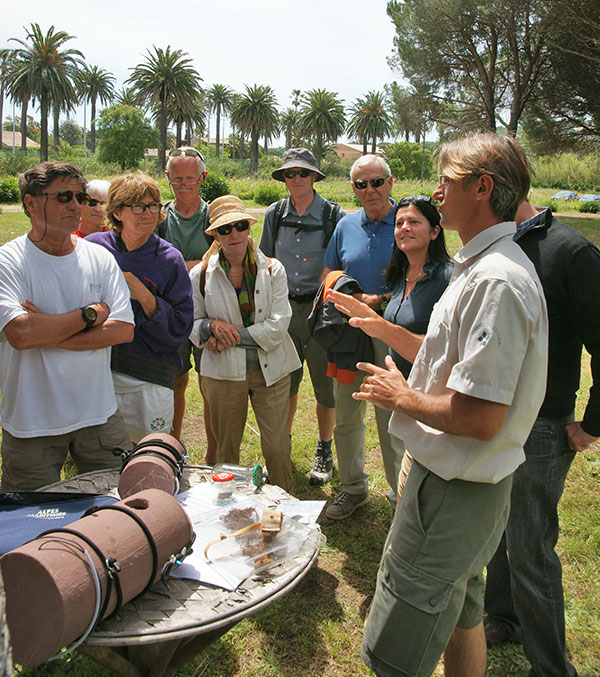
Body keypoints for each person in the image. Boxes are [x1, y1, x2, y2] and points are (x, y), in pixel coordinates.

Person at [351, 133, 548, 677]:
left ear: (482, 188)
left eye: (447, 181)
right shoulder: (482, 267)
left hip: (452, 491)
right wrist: (382, 330)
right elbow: (448, 361)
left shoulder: (496, 281)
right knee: (464, 615)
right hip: (460, 483)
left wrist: (401, 397)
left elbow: (480, 418)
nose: (435, 193)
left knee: (395, 650)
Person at [483, 199, 600, 676]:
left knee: (530, 550)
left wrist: (592, 423)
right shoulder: (497, 243)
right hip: (493, 418)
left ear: (491, 186)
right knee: (497, 533)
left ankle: (552, 668)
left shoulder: (569, 251)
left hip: (544, 426)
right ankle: (504, 617)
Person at [0, 161, 134, 491]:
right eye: (63, 196)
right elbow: (20, 333)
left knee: (118, 507)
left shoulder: (100, 258)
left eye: (81, 196)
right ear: (30, 203)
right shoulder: (9, 261)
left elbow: (123, 330)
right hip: (30, 423)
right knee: (30, 525)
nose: (76, 206)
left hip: (98, 416)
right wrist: (90, 314)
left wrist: (45, 330)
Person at [327, 194, 453, 499]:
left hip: (428, 390)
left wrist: (376, 323)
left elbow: (447, 348)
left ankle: (405, 501)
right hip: (398, 376)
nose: (404, 228)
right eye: (399, 223)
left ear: (435, 231)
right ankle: (396, 498)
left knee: (412, 449)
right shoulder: (401, 274)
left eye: (414, 222)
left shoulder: (448, 278)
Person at [189, 196, 300, 492]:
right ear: (214, 235)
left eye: (239, 226)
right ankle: (228, 511)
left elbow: (278, 325)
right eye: (225, 230)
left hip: (272, 373)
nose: (234, 235)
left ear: (249, 228)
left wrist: (227, 337)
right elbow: (192, 322)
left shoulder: (273, 270)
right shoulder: (200, 275)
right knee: (226, 452)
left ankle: (282, 506)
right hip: (222, 375)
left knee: (277, 448)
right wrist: (210, 327)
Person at [320, 154, 405, 519]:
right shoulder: (345, 225)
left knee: (392, 420)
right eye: (360, 184)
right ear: (353, 189)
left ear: (390, 182)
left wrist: (380, 300)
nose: (368, 190)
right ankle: (353, 488)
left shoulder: (408, 220)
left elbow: (428, 273)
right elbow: (329, 269)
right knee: (347, 414)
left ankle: (400, 496)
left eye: (375, 182)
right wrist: (344, 294)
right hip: (349, 334)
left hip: (392, 332)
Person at [87, 171, 193, 444]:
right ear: (118, 212)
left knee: (148, 451)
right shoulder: (93, 249)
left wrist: (146, 298)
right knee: (103, 452)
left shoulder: (170, 259)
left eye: (153, 206)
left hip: (150, 375)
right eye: (138, 206)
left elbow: (181, 326)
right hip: (99, 372)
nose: (148, 213)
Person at [260, 147, 345, 485]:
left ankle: (325, 449)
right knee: (285, 386)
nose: (296, 179)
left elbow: (339, 261)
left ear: (314, 177)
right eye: (289, 174)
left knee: (326, 389)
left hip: (320, 311)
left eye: (303, 173)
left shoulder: (332, 215)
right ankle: (283, 446)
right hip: (283, 311)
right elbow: (265, 261)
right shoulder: (274, 214)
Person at [160, 147, 216, 458]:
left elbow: (220, 260)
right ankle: (171, 446)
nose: (184, 186)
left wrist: (176, 264)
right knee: (175, 382)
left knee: (210, 384)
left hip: (208, 312)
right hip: (169, 314)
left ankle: (213, 453)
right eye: (177, 180)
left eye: (190, 180)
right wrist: (197, 263)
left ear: (202, 178)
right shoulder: (160, 217)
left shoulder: (213, 216)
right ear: (167, 178)